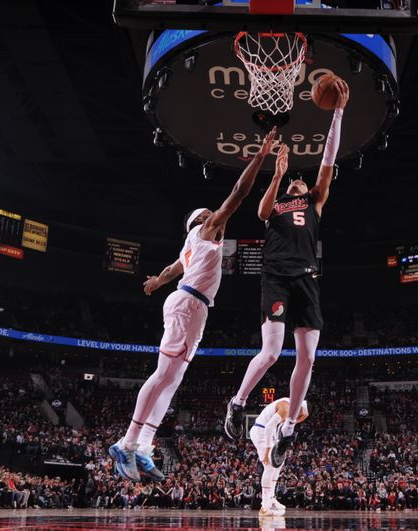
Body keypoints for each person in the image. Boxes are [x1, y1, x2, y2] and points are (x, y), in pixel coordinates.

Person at [109, 129, 280, 482]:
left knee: (172, 381)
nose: (218, 218)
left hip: (191, 307)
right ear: (203, 222)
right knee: (162, 376)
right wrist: (260, 156)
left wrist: (157, 280)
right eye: (211, 216)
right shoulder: (206, 232)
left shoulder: (190, 245)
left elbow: (174, 268)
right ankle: (126, 442)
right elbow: (238, 194)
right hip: (188, 305)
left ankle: (144, 445)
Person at [225, 79, 350, 469]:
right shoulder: (276, 206)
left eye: (299, 178)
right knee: (272, 351)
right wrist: (277, 175)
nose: (298, 178)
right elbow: (260, 213)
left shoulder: (315, 201)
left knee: (308, 358)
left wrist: (338, 113)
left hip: (307, 280)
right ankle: (238, 402)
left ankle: (289, 430)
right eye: (293, 180)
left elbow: (329, 158)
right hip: (276, 276)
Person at [250, 397, 309, 516]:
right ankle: (265, 505)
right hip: (261, 431)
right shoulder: (285, 407)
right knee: (270, 466)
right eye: (299, 415)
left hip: (270, 433)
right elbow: (269, 427)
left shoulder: (294, 407)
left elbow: (300, 417)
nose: (297, 418)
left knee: (278, 464)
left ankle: (271, 498)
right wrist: (267, 450)